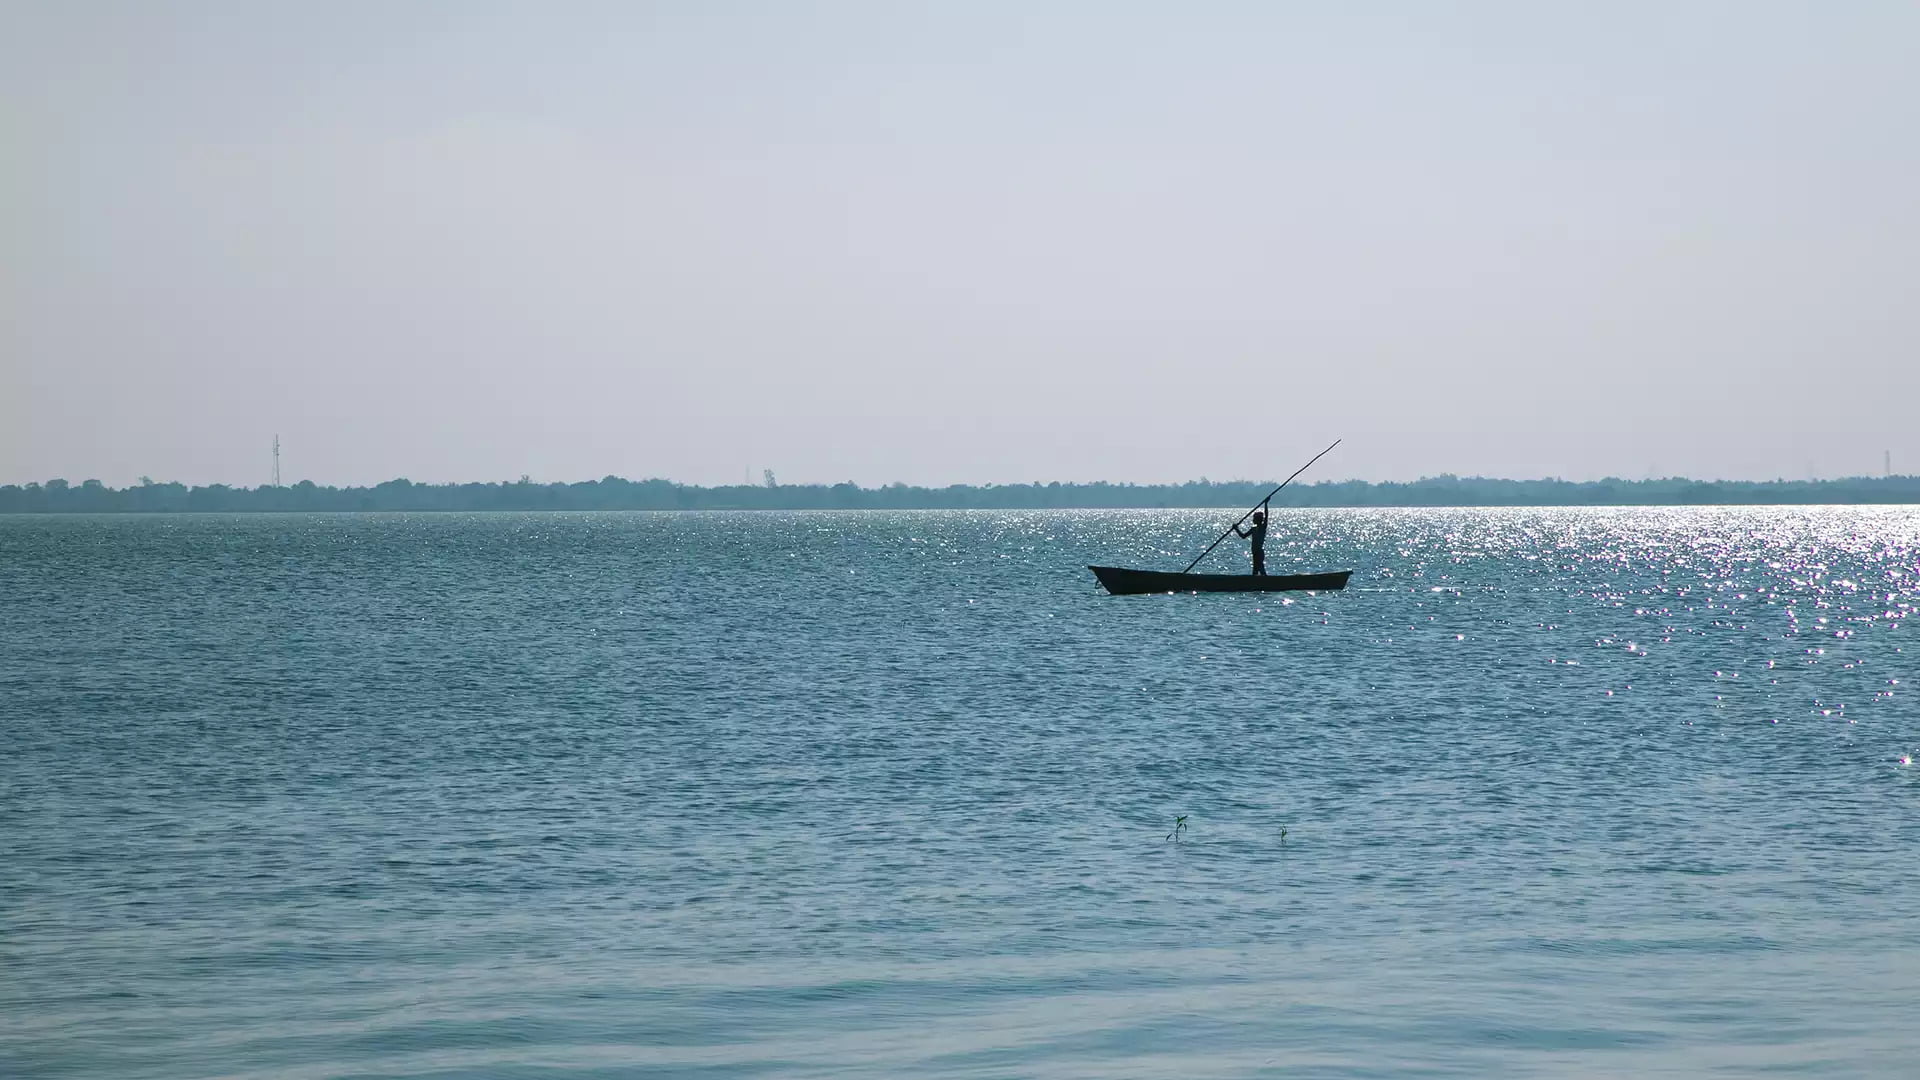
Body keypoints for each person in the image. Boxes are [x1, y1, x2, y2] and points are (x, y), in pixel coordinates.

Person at [1233, 507, 1269, 576]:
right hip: (1254, 552)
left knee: (1261, 569)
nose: (1253, 520)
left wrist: (1266, 504)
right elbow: (1243, 536)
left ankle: (1267, 582)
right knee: (1255, 571)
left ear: (1258, 520)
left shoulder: (1262, 528)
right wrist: (1236, 529)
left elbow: (1266, 516)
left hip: (1259, 552)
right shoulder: (1253, 529)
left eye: (1254, 518)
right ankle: (1255, 583)